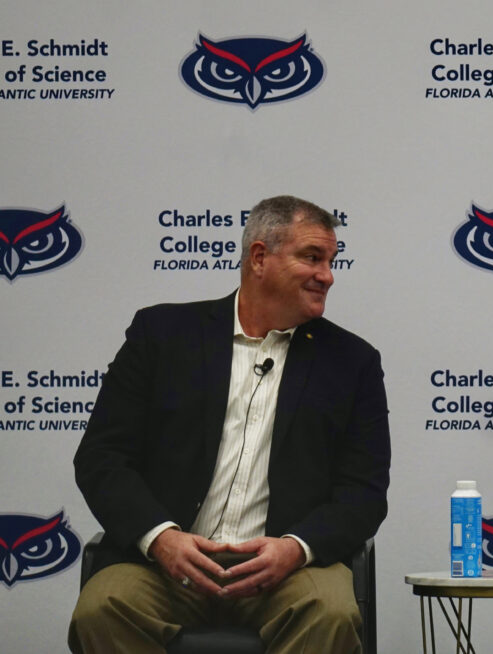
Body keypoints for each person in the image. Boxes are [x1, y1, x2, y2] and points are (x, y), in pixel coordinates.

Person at [69, 195, 390, 654]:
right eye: (312, 258)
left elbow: (364, 492)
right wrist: (161, 539)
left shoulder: (352, 362)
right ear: (260, 257)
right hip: (166, 567)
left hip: (288, 574)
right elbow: (102, 458)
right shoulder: (162, 335)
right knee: (102, 606)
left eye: (331, 261)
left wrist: (295, 549)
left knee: (332, 611)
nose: (328, 275)